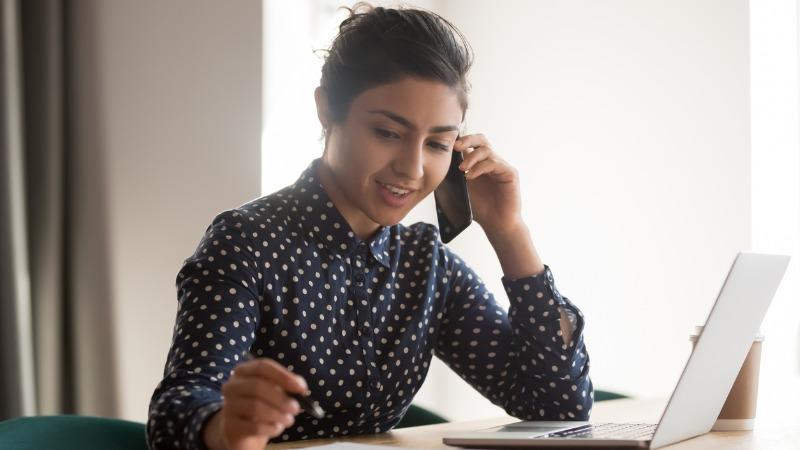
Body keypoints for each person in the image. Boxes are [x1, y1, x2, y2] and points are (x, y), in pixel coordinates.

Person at [146, 3, 592, 450]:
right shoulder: (246, 242)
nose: (413, 168)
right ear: (326, 111)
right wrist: (226, 428)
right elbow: (177, 410)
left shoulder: (425, 263)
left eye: (437, 143)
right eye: (387, 132)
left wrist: (508, 230)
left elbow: (557, 405)